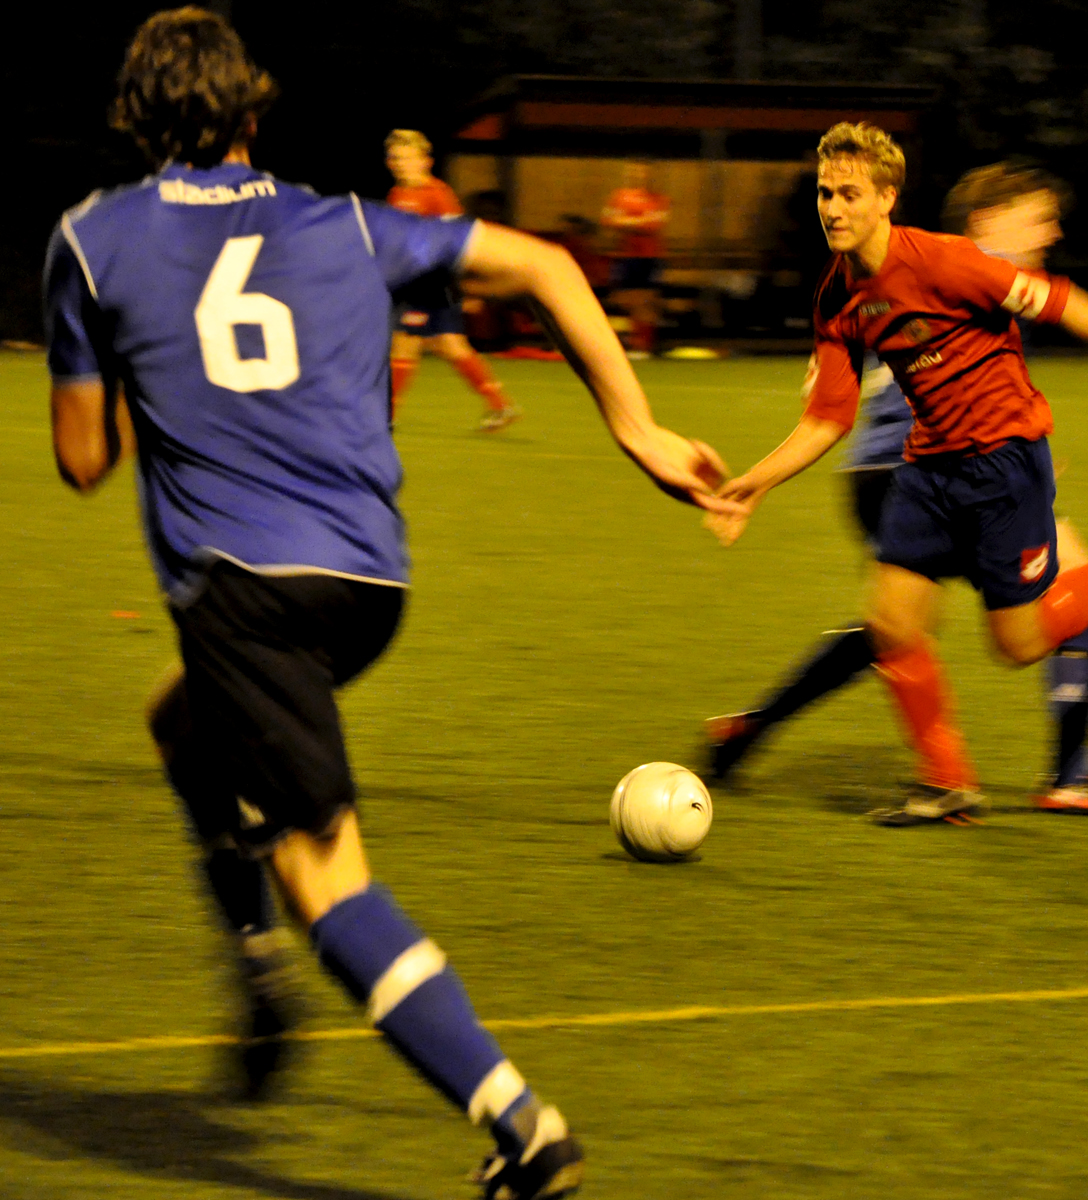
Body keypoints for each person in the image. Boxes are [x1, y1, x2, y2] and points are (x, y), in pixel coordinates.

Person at [45, 10, 739, 1197]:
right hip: (369, 581)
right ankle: (254, 958)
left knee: (328, 875)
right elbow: (549, 266)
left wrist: (130, 359)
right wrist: (639, 430)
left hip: (246, 592)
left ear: (136, 121)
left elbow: (83, 460)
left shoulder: (92, 238)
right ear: (253, 113)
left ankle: (523, 1127)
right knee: (181, 726)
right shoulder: (353, 222)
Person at [705, 122, 1088, 827]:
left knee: (1018, 646)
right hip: (926, 468)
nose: (832, 208)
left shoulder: (945, 261)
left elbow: (1059, 300)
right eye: (825, 193)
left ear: (886, 198)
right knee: (892, 625)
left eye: (849, 194)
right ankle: (947, 786)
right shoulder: (837, 295)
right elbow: (827, 417)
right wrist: (755, 482)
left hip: (1002, 465)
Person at [385, 128, 522, 431]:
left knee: (405, 345)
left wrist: (466, 288)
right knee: (450, 345)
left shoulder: (438, 194)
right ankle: (500, 405)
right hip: (417, 281)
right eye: (395, 158)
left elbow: (456, 242)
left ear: (426, 161)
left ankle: (387, 416)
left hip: (431, 283)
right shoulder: (397, 195)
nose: (400, 164)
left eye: (407, 158)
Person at [601, 162, 670, 358]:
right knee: (624, 300)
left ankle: (644, 345)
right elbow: (608, 220)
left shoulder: (659, 199)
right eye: (635, 171)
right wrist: (639, 222)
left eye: (642, 172)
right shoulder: (619, 196)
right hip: (626, 256)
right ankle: (628, 342)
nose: (639, 176)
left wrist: (626, 222)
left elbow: (654, 224)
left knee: (646, 300)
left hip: (649, 257)